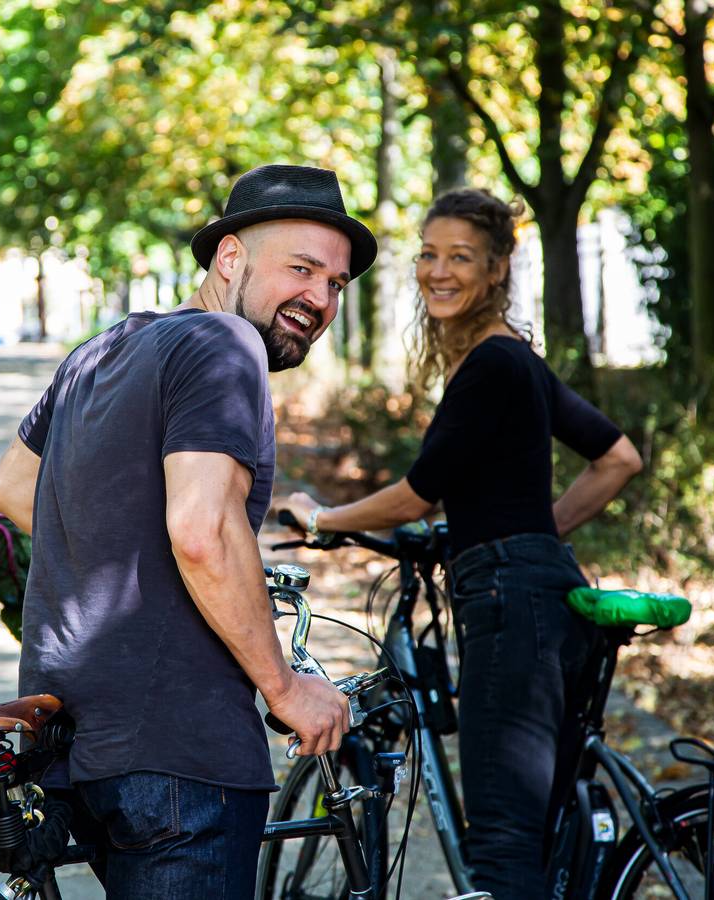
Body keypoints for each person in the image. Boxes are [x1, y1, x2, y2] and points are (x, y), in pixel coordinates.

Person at [0, 164, 377, 898]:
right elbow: (201, 529)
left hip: (75, 744)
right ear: (230, 257)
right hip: (179, 752)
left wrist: (121, 538)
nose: (320, 298)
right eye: (302, 268)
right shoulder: (227, 345)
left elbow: (12, 486)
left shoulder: (99, 353)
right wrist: (284, 686)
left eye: (336, 283)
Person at [276, 189, 644, 899]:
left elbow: (418, 494)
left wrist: (324, 517)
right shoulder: (516, 359)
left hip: (509, 604)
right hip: (547, 593)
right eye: (429, 255)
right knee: (536, 834)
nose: (438, 271)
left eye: (461, 258)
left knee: (502, 846)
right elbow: (619, 457)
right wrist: (538, 530)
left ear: (499, 268)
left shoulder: (492, 366)